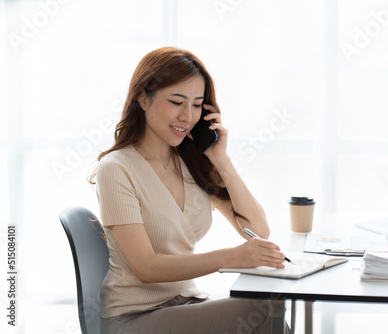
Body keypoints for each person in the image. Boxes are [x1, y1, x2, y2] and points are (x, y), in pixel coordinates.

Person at [91, 46, 288, 333]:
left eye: (197, 105)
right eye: (176, 101)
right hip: (134, 318)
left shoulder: (192, 162)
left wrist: (221, 159)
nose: (188, 116)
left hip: (184, 304)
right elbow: (145, 267)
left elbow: (257, 229)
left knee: (267, 307)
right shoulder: (116, 168)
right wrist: (231, 257)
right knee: (262, 309)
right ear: (143, 98)